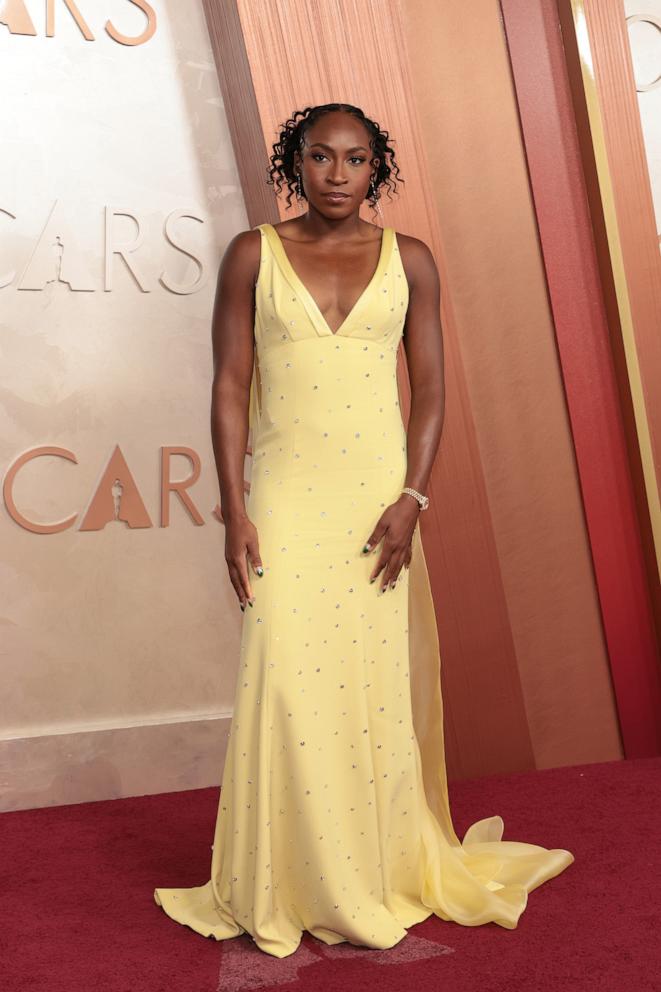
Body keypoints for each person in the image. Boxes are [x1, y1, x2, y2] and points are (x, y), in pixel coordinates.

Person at [153, 102, 574, 958]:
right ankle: (278, 878)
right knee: (282, 683)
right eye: (319, 157)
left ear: (375, 169)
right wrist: (234, 508)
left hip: (373, 501)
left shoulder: (410, 260)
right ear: (294, 165)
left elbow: (430, 391)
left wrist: (413, 498)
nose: (337, 174)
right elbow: (230, 384)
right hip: (284, 496)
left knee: (364, 684)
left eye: (354, 159)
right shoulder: (252, 254)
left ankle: (365, 870)